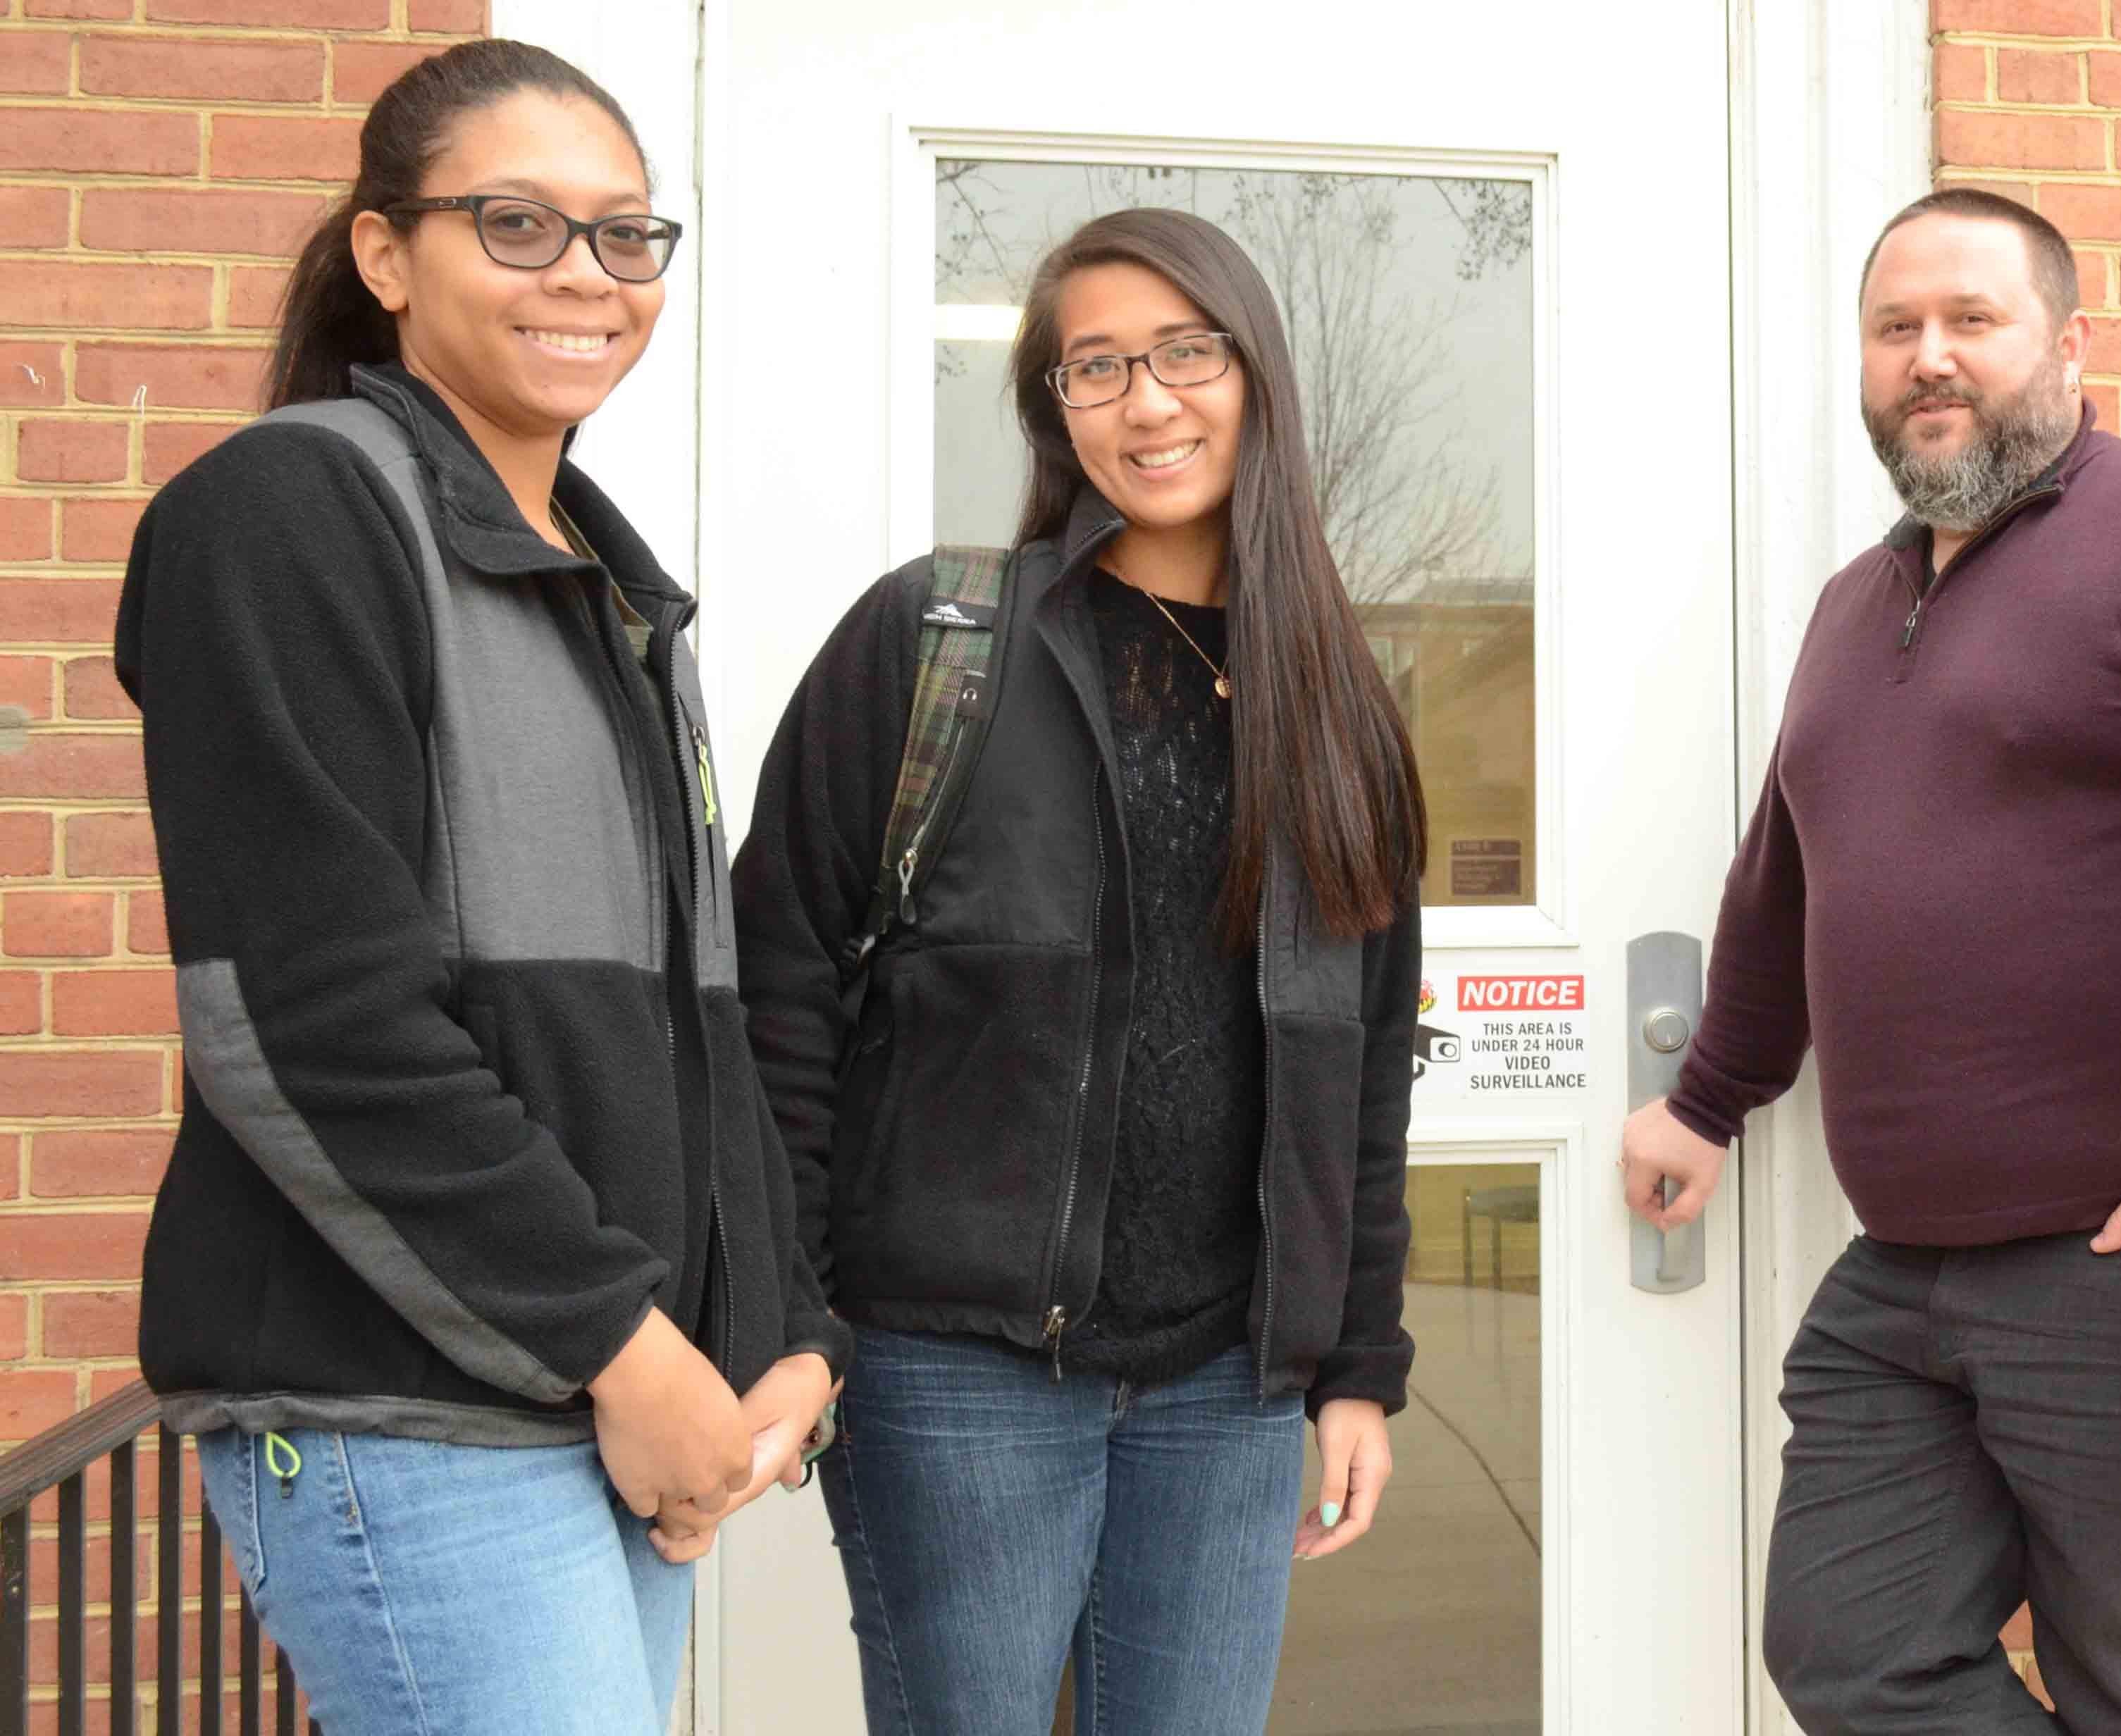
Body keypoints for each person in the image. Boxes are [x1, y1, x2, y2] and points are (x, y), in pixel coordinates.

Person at [113, 38, 842, 1735]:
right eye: (518, 226)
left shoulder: (613, 595)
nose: (586, 275)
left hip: (598, 1412)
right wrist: (632, 1346)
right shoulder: (290, 512)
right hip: (417, 1426)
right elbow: (307, 1022)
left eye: (626, 234)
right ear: (387, 255)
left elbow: (696, 1028)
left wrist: (780, 1329)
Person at [1617, 187, 2121, 1736]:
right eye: (1896, 330)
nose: (1929, 359)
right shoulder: (1857, 600)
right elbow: (1785, 881)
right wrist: (1705, 1097)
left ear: (2070, 344)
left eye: (1972, 320)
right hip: (1909, 1266)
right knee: (1849, 1647)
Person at [733, 206, 1424, 1735]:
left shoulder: (1335, 706)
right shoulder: (937, 638)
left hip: (1227, 1379)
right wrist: (792, 1311)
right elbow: (775, 989)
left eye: (1188, 352)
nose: (1146, 401)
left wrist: (1356, 1359)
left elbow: (1364, 1057)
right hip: (956, 1364)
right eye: (1092, 367)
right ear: (1054, 408)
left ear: (1257, 377)